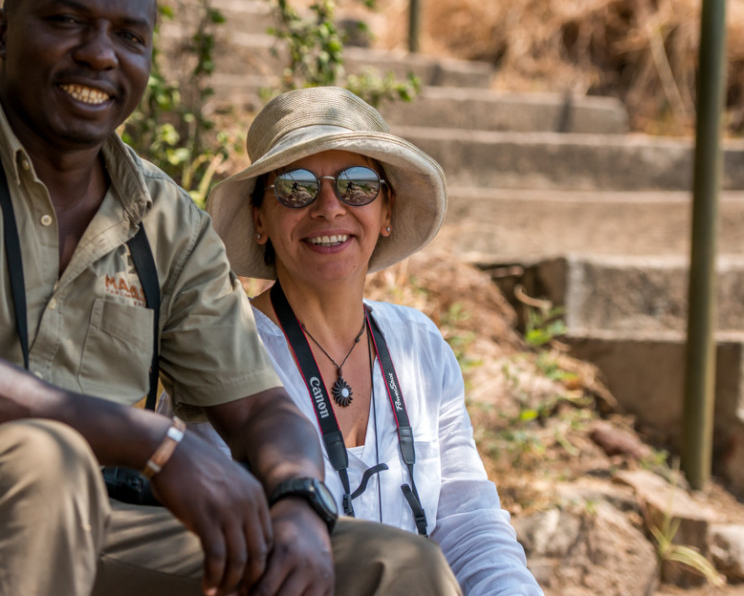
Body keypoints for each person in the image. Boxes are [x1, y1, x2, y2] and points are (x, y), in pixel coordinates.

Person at [0, 0, 462, 596]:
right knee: (37, 462)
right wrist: (155, 442)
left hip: (104, 532)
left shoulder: (165, 219)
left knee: (392, 566)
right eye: (66, 21)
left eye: (129, 37)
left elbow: (260, 408)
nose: (99, 54)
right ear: (0, 33)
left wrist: (300, 502)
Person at [195, 87, 545, 596]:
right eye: (296, 187)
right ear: (258, 220)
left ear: (385, 212)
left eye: (358, 185)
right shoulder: (227, 356)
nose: (329, 207)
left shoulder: (419, 345)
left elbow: (469, 521)